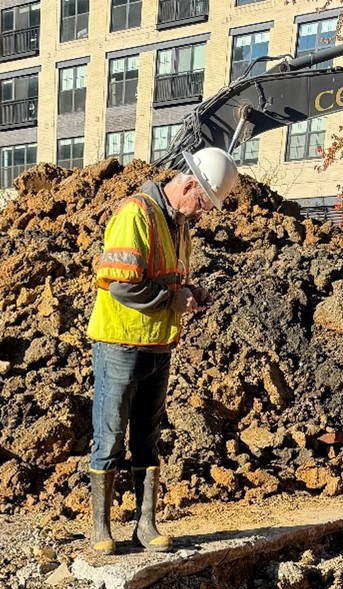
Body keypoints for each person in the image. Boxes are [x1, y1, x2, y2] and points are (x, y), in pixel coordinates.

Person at [87, 148, 239, 556]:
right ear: (189, 185)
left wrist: (191, 293)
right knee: (111, 435)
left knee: (148, 438)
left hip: (158, 344)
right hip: (120, 343)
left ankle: (145, 524)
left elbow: (169, 280)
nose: (203, 214)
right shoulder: (136, 214)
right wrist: (174, 301)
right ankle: (100, 528)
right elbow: (121, 284)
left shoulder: (178, 225)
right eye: (204, 204)